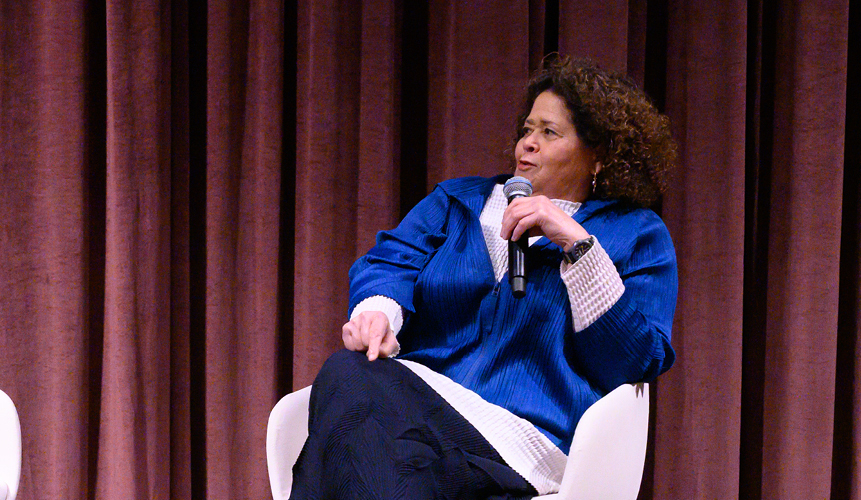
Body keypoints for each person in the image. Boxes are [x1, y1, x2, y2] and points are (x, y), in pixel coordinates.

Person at [290, 56, 679, 499]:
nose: (527, 144)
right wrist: (378, 313)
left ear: (599, 156)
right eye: (527, 129)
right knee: (356, 379)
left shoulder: (635, 233)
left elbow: (637, 360)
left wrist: (577, 245)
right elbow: (390, 262)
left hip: (521, 444)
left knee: (360, 419)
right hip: (415, 412)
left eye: (549, 133)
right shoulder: (457, 201)